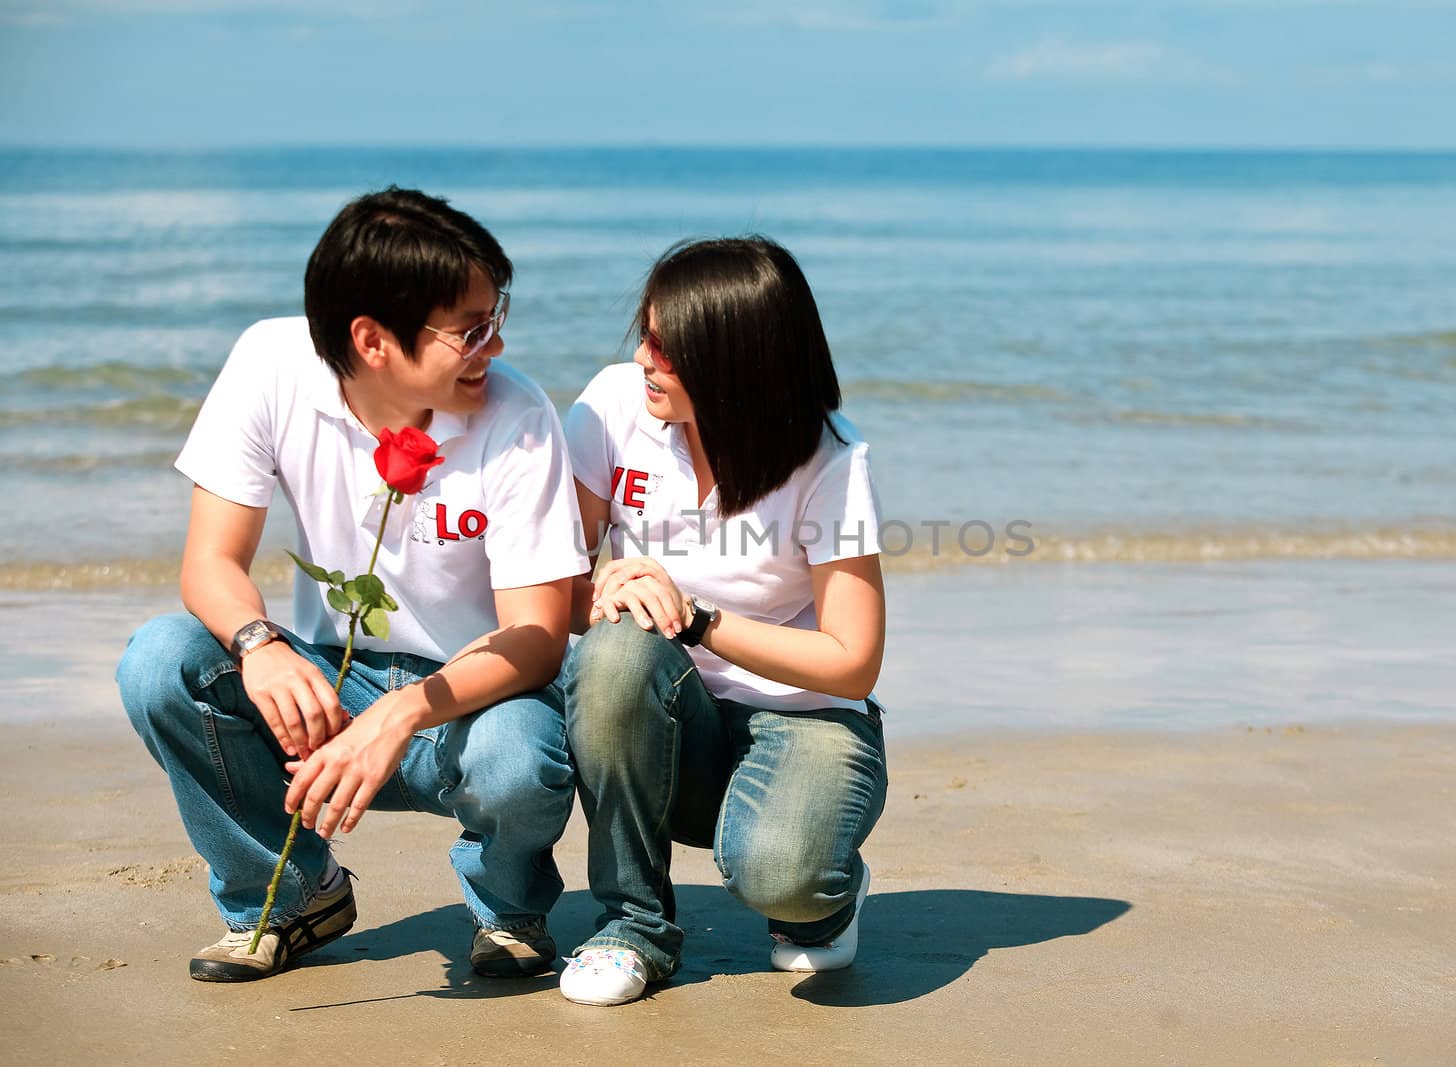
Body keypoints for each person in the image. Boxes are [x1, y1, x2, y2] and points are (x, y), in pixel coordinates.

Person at [116, 187, 588, 982]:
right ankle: (293, 894)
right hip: (326, 686)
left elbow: (539, 637)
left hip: (472, 699)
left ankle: (507, 906)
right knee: (162, 660)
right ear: (371, 340)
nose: (496, 345)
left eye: (496, 315)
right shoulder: (270, 364)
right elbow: (210, 562)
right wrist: (260, 646)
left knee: (520, 752)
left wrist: (404, 711)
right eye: (471, 330)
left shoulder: (518, 415)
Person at [557, 236, 889, 1006]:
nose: (644, 357)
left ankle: (824, 891)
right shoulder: (611, 407)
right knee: (613, 653)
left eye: (667, 347)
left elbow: (852, 661)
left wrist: (698, 619)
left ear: (736, 358)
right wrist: (604, 592)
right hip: (664, 713)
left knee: (785, 875)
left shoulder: (829, 460)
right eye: (645, 333)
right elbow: (558, 588)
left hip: (804, 717)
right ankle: (630, 924)